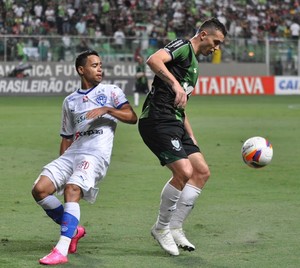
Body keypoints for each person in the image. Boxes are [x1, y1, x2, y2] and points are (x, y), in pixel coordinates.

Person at [32, 50, 137, 265]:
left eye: (100, 65)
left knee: (73, 189)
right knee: (40, 190)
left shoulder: (111, 91)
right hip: (73, 153)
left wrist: (107, 109)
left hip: (96, 154)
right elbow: (66, 137)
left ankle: (61, 250)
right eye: (94, 65)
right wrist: (64, 163)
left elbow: (132, 117)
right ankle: (74, 230)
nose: (100, 69)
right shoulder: (70, 101)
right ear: (81, 70)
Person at [138, 18, 227, 256]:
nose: (216, 48)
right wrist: (176, 85)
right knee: (184, 172)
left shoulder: (194, 66)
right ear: (203, 34)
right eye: (216, 41)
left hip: (175, 122)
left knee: (201, 172)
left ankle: (176, 226)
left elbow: (181, 105)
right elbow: (153, 60)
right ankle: (161, 227)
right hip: (157, 120)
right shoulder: (183, 46)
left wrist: (191, 135)